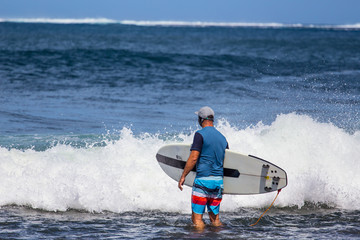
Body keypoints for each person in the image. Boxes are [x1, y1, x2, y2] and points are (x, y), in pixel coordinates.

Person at [178, 106, 229, 229]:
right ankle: (219, 235)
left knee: (197, 219)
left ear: (200, 119)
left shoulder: (199, 134)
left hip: (202, 182)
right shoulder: (223, 138)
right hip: (217, 182)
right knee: (215, 218)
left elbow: (194, 157)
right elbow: (227, 160)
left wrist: (183, 176)